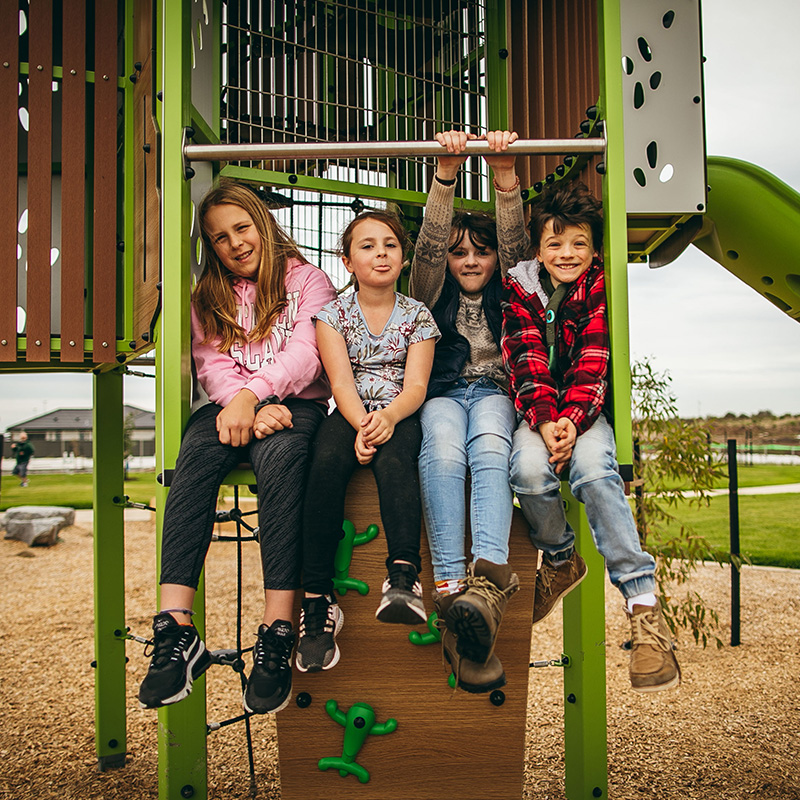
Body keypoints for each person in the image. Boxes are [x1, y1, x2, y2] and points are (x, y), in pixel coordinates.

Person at [138, 180, 336, 714]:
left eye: (242, 228)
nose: (234, 244)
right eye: (219, 237)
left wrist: (255, 395)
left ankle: (278, 630)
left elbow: (308, 353)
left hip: (297, 402)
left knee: (284, 462)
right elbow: (210, 361)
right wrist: (239, 404)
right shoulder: (209, 293)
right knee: (195, 459)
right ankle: (176, 630)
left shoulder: (308, 281)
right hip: (229, 407)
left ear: (264, 225)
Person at [501, 176, 681, 693]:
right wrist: (544, 421)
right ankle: (560, 558)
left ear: (595, 248)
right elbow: (525, 359)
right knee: (528, 472)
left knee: (597, 472)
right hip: (538, 412)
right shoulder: (520, 286)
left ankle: (644, 605)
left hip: (585, 411)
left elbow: (592, 361)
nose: (567, 253)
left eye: (579, 243)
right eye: (555, 243)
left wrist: (572, 423)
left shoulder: (599, 285)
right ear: (538, 247)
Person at [407, 130, 529, 693]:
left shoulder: (514, 286)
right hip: (443, 391)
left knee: (489, 445)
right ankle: (452, 589)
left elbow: (519, 243)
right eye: (461, 252)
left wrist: (504, 177)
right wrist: (446, 176)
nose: (470, 260)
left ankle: (486, 583)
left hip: (497, 391)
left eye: (481, 251)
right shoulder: (431, 289)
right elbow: (430, 246)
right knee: (444, 449)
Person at [295, 210, 439, 673]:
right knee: (323, 466)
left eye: (390, 245)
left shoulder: (418, 316)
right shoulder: (333, 315)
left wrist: (388, 420)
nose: (381, 253)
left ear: (405, 256)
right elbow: (339, 382)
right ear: (347, 261)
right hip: (351, 412)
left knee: (399, 465)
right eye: (367, 246)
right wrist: (361, 425)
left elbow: (416, 387)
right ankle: (317, 602)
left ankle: (402, 577)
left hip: (399, 412)